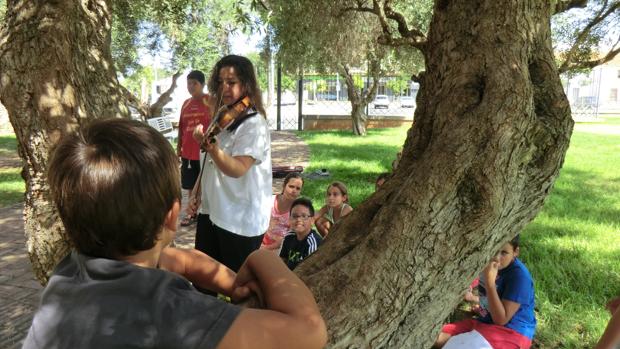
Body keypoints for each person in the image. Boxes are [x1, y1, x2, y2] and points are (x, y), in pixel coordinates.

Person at [23, 118, 327, 349]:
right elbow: (310, 332)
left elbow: (183, 260)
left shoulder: (71, 273)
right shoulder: (169, 313)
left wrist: (233, 285)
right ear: (172, 217)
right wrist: (262, 258)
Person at [189, 55, 272, 273]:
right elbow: (209, 162)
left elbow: (238, 168)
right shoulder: (223, 115)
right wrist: (196, 191)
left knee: (239, 288)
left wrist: (212, 148)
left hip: (239, 219)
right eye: (220, 82)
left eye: (231, 82)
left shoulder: (253, 124)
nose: (224, 88)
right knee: (203, 281)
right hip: (212, 212)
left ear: (246, 84)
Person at [434, 236, 537, 349]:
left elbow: (501, 320)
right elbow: (474, 279)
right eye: (494, 249)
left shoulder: (519, 277)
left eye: (504, 253)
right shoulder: (485, 261)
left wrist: (490, 283)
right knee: (432, 338)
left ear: (515, 252)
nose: (496, 258)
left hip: (510, 332)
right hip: (484, 322)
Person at [177, 70, 211, 226]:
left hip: (205, 150)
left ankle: (204, 211)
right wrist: (179, 147)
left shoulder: (210, 101)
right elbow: (182, 127)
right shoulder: (185, 103)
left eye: (194, 83)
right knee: (190, 185)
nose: (191, 86)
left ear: (202, 85)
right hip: (188, 152)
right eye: (189, 83)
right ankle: (191, 213)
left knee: (205, 183)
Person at [260, 173, 304, 251]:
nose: (294, 191)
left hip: (279, 249)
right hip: (258, 241)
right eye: (291, 186)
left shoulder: (297, 212)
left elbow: (289, 238)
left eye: (298, 188)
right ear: (284, 186)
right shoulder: (269, 200)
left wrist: (266, 248)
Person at [279, 198, 322, 270]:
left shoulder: (312, 242)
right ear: (289, 219)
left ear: (312, 221)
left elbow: (309, 270)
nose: (298, 220)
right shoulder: (289, 236)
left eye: (304, 216)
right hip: (286, 273)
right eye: (295, 216)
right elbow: (282, 259)